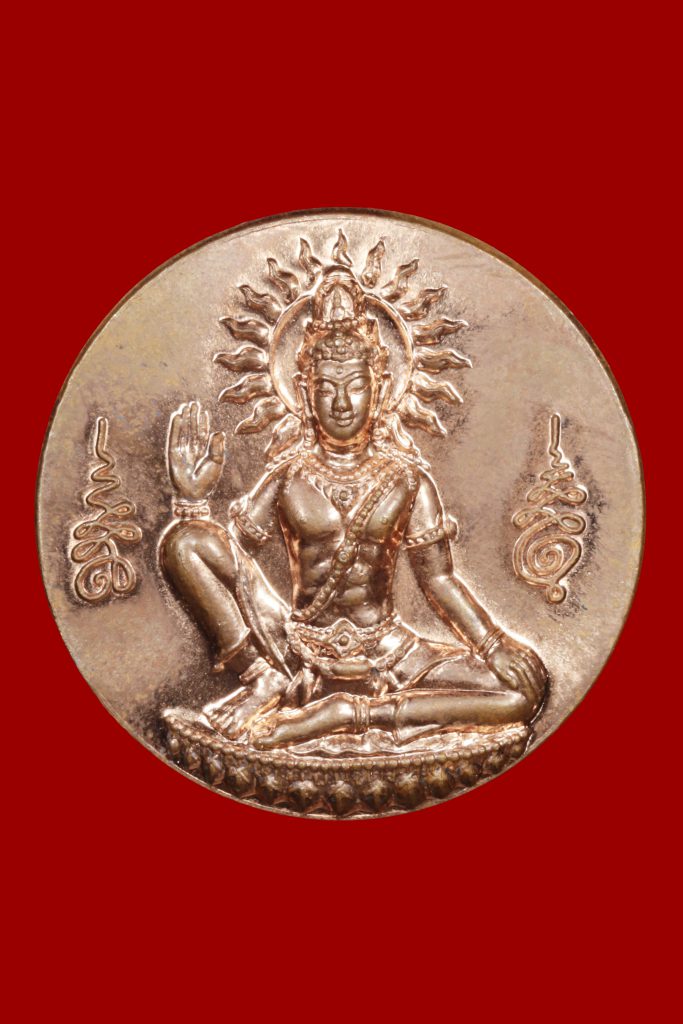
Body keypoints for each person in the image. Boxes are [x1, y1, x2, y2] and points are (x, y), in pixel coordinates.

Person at [160, 266, 547, 749]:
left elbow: (440, 581)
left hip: (388, 651)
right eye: (326, 388)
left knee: (522, 692)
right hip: (296, 648)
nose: (341, 403)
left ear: (380, 388)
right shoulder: (287, 477)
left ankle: (347, 714)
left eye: (356, 386)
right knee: (183, 543)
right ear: (304, 392)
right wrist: (192, 502)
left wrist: (493, 643)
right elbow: (229, 564)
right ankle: (262, 680)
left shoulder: (408, 480)